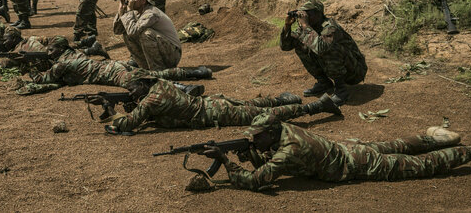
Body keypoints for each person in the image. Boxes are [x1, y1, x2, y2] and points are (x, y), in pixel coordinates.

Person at [196, 113, 471, 192]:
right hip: (347, 148)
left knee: (419, 167)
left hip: (356, 163)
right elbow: (266, 154)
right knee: (397, 144)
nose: (256, 142)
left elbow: (258, 180)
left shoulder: (289, 149)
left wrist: (226, 161)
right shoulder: (284, 130)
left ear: (269, 133)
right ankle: (432, 134)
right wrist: (251, 149)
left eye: (258, 137)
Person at [103, 77, 341, 135]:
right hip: (211, 103)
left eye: (133, 90)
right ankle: (282, 98)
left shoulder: (151, 100)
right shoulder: (161, 85)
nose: (132, 93)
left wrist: (111, 114)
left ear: (143, 86)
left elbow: (129, 125)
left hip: (214, 112)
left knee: (263, 116)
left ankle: (317, 107)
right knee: (250, 104)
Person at [7, 36, 213, 96]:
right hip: (112, 64)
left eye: (51, 50)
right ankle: (198, 72)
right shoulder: (73, 53)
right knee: (152, 72)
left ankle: (183, 88)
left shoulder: (62, 64)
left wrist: (28, 66)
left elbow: (43, 79)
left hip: (111, 73)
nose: (48, 52)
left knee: (145, 81)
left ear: (59, 50)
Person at [280, 0, 366, 105]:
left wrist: (306, 26)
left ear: (318, 13)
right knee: (300, 45)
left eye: (308, 13)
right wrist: (287, 26)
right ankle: (324, 83)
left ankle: (341, 90)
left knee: (327, 48)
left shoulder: (330, 26)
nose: (305, 16)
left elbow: (322, 48)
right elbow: (285, 46)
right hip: (341, 67)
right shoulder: (307, 28)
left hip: (355, 71)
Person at [113, 0, 181, 70]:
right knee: (126, 33)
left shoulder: (151, 13)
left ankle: (158, 69)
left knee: (146, 34)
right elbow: (117, 30)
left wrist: (129, 11)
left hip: (172, 54)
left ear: (143, 1)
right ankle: (145, 67)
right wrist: (121, 11)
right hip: (164, 50)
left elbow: (132, 31)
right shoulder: (137, 12)